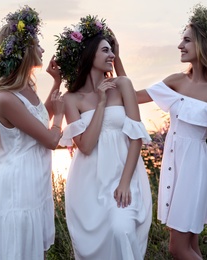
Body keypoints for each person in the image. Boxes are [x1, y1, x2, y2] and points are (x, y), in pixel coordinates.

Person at [134, 4, 207, 259]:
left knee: (177, 249)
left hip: (194, 167)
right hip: (174, 163)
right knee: (190, 248)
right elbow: (134, 97)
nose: (180, 45)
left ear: (202, 45)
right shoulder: (175, 81)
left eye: (187, 40)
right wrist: (114, 65)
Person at [54, 15, 152, 259]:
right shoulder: (71, 99)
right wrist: (100, 103)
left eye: (113, 51)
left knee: (122, 230)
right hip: (89, 183)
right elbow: (85, 146)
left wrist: (125, 182)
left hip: (124, 175)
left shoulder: (124, 85)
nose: (112, 56)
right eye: (106, 50)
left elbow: (135, 138)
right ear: (89, 55)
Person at [0, 6, 64, 260]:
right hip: (19, 188)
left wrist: (57, 83)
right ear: (24, 51)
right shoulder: (5, 98)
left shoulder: (26, 87)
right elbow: (49, 138)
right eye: (37, 44)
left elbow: (39, 119)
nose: (42, 49)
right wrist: (60, 116)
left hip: (34, 185)